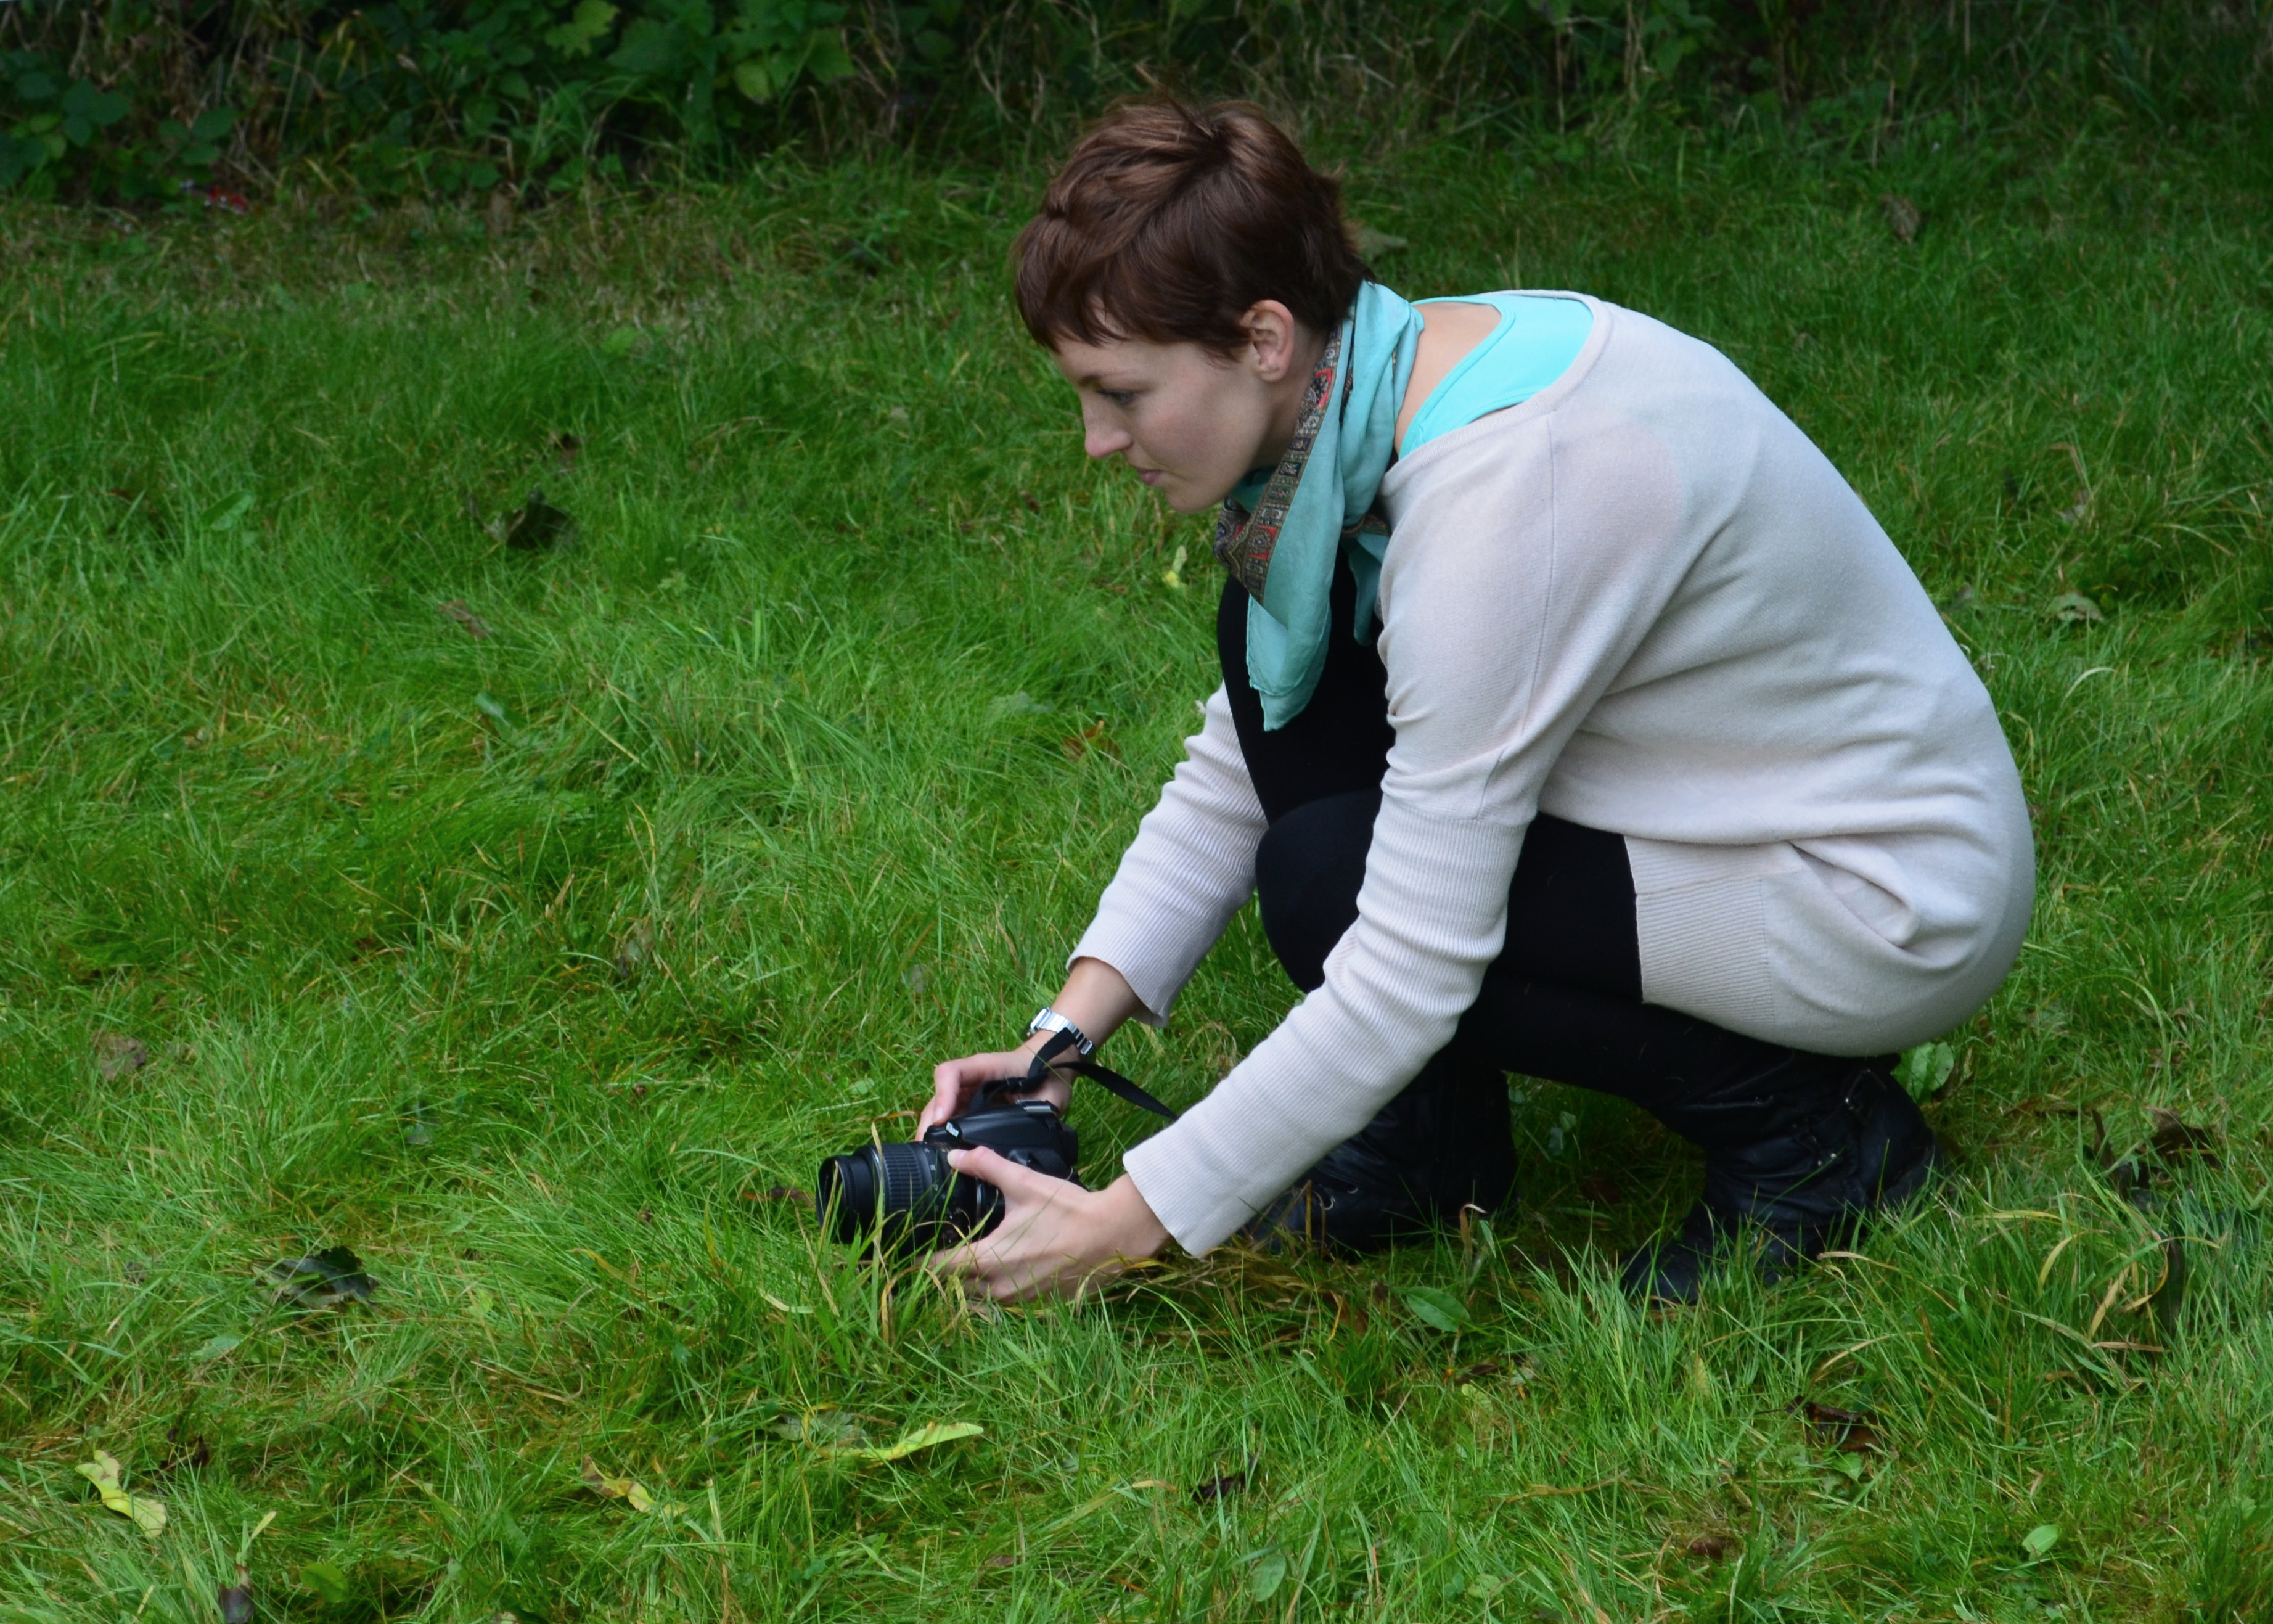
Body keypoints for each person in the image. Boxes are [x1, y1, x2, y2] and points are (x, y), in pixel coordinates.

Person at [918, 100, 2032, 1306]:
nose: (1096, 439)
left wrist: (1123, 1224)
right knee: (1269, 643)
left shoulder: (1501, 494)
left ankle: (1819, 1142)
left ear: (1264, 338)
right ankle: (1428, 1150)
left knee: (1329, 883)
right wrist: (1062, 1036)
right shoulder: (1380, 387)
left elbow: (1410, 965)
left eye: (1123, 393)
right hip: (1722, 810)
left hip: (1879, 898)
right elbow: (1249, 754)